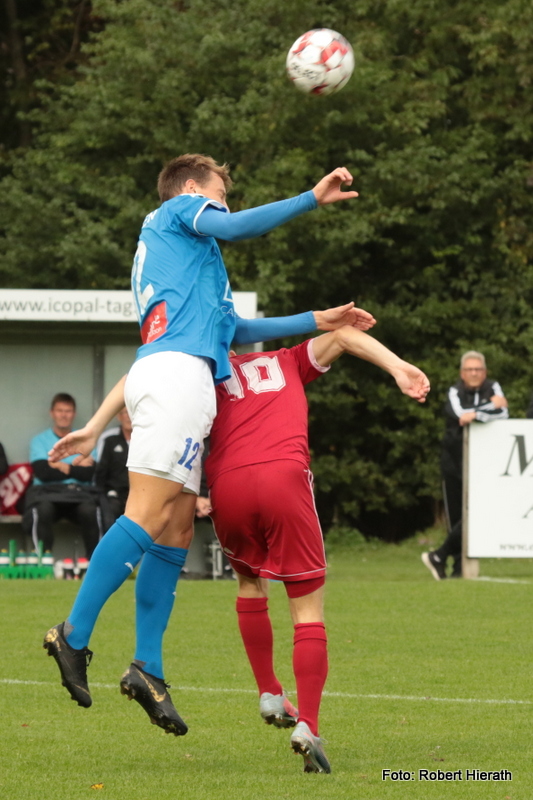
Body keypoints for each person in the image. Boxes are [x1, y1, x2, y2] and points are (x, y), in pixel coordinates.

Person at [43, 150, 372, 735]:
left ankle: (148, 668)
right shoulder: (179, 212)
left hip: (181, 380)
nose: (225, 203)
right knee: (147, 516)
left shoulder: (194, 260)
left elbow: (235, 330)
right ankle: (73, 634)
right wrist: (309, 199)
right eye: (221, 192)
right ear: (193, 188)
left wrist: (314, 320)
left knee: (174, 529)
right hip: (176, 378)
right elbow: (237, 225)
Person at [201, 328, 429, 774]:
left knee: (249, 583)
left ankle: (269, 691)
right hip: (282, 477)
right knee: (306, 609)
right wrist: (399, 368)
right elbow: (343, 335)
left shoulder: (205, 377)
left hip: (227, 484)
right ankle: (308, 724)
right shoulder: (286, 359)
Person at [422, 350, 508, 580]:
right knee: (456, 515)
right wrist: (487, 408)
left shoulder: (494, 387)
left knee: (478, 511)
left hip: (484, 462)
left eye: (478, 369)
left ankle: (440, 556)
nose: (474, 373)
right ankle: (455, 568)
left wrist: (477, 413)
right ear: (462, 373)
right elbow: (460, 415)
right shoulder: (454, 391)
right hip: (454, 462)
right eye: (470, 369)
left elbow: (503, 412)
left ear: (485, 372)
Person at [22, 393, 100, 558]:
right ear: (52, 413)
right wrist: (74, 467)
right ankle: (44, 562)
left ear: (74, 414)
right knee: (42, 510)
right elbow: (43, 473)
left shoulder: (84, 439)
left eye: (68, 411)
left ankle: (93, 563)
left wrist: (58, 464)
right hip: (48, 494)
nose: (64, 415)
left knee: (91, 510)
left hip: (79, 495)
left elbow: (88, 474)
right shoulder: (39, 440)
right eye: (60, 411)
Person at [94, 408, 131, 530]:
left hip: (139, 494)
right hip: (113, 494)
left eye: (132, 412)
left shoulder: (147, 440)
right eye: (125, 413)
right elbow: (100, 470)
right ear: (119, 416)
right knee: (109, 511)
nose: (129, 417)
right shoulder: (108, 438)